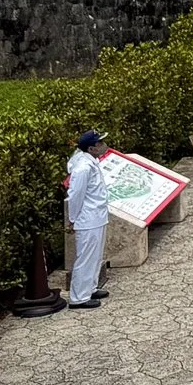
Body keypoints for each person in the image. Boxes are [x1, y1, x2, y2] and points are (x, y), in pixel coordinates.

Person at [63, 130, 113, 307]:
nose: (103, 145)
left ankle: (90, 288)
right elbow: (76, 194)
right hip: (87, 218)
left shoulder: (90, 162)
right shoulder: (83, 167)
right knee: (86, 258)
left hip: (97, 216)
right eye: (99, 143)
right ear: (91, 148)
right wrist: (72, 218)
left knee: (95, 256)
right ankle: (79, 297)